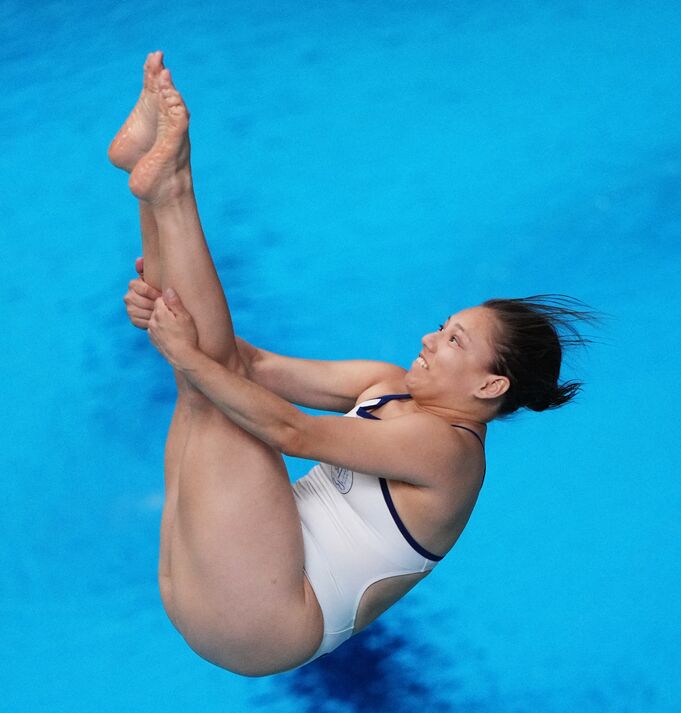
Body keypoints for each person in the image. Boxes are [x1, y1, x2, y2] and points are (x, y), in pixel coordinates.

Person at [110, 52, 598, 677]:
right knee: (209, 375)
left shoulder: (449, 452)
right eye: (443, 326)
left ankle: (170, 186)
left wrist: (182, 349)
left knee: (211, 389)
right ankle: (152, 184)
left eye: (453, 341)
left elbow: (291, 430)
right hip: (226, 582)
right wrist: (164, 319)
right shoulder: (390, 386)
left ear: (490, 384)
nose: (428, 338)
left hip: (265, 619)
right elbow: (251, 363)